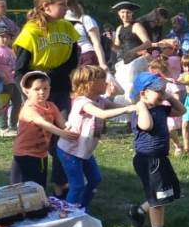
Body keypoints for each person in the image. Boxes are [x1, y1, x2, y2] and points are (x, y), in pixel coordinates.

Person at [14, 0, 80, 197]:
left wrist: (56, 75)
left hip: (59, 88)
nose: (65, 8)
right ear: (45, 6)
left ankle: (60, 183)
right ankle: (25, 182)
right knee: (35, 139)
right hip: (37, 90)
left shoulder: (67, 28)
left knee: (61, 137)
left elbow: (73, 59)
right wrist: (29, 95)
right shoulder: (30, 31)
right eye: (61, 4)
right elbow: (20, 70)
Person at [56, 65, 135, 210]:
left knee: (95, 179)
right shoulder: (83, 102)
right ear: (89, 84)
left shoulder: (100, 100)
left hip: (84, 151)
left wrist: (135, 106)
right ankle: (67, 215)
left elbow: (114, 106)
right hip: (69, 151)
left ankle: (81, 208)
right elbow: (102, 114)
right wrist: (128, 109)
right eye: (102, 80)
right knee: (77, 185)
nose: (106, 83)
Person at [126, 72, 186, 227]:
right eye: (158, 91)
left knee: (165, 192)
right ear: (143, 94)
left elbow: (182, 110)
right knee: (158, 197)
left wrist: (169, 97)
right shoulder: (140, 112)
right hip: (148, 160)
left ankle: (138, 211)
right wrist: (142, 106)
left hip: (159, 158)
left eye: (163, 90)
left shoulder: (161, 108)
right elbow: (147, 125)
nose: (162, 93)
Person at [13, 71, 78, 190]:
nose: (42, 92)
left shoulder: (52, 106)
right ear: (26, 91)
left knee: (39, 186)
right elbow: (43, 124)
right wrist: (63, 133)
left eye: (45, 88)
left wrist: (72, 129)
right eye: (37, 89)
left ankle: (38, 207)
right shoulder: (28, 109)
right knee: (24, 189)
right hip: (24, 155)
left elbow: (63, 124)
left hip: (41, 154)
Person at [64, 0, 106, 67]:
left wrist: (102, 63)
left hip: (87, 55)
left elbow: (96, 42)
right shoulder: (61, 23)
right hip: (72, 59)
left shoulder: (85, 19)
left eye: (68, 4)